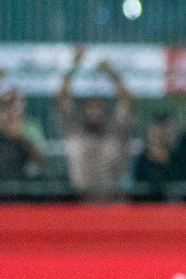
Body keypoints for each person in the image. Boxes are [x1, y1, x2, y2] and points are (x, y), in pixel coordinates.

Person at [55, 46, 134, 202]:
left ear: (105, 108)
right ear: (83, 108)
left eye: (98, 105)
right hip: (80, 203)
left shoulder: (114, 129)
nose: (94, 110)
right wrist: (74, 66)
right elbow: (61, 98)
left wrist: (113, 74)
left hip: (111, 202)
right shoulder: (74, 130)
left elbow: (127, 100)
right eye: (90, 105)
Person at [0, 90, 43, 201]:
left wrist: (18, 135)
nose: (9, 110)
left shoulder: (30, 127)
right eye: (6, 106)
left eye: (13, 105)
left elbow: (37, 158)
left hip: (17, 190)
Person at [132, 110, 177, 201]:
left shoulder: (178, 161)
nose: (160, 131)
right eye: (156, 127)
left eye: (164, 126)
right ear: (149, 130)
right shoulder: (140, 162)